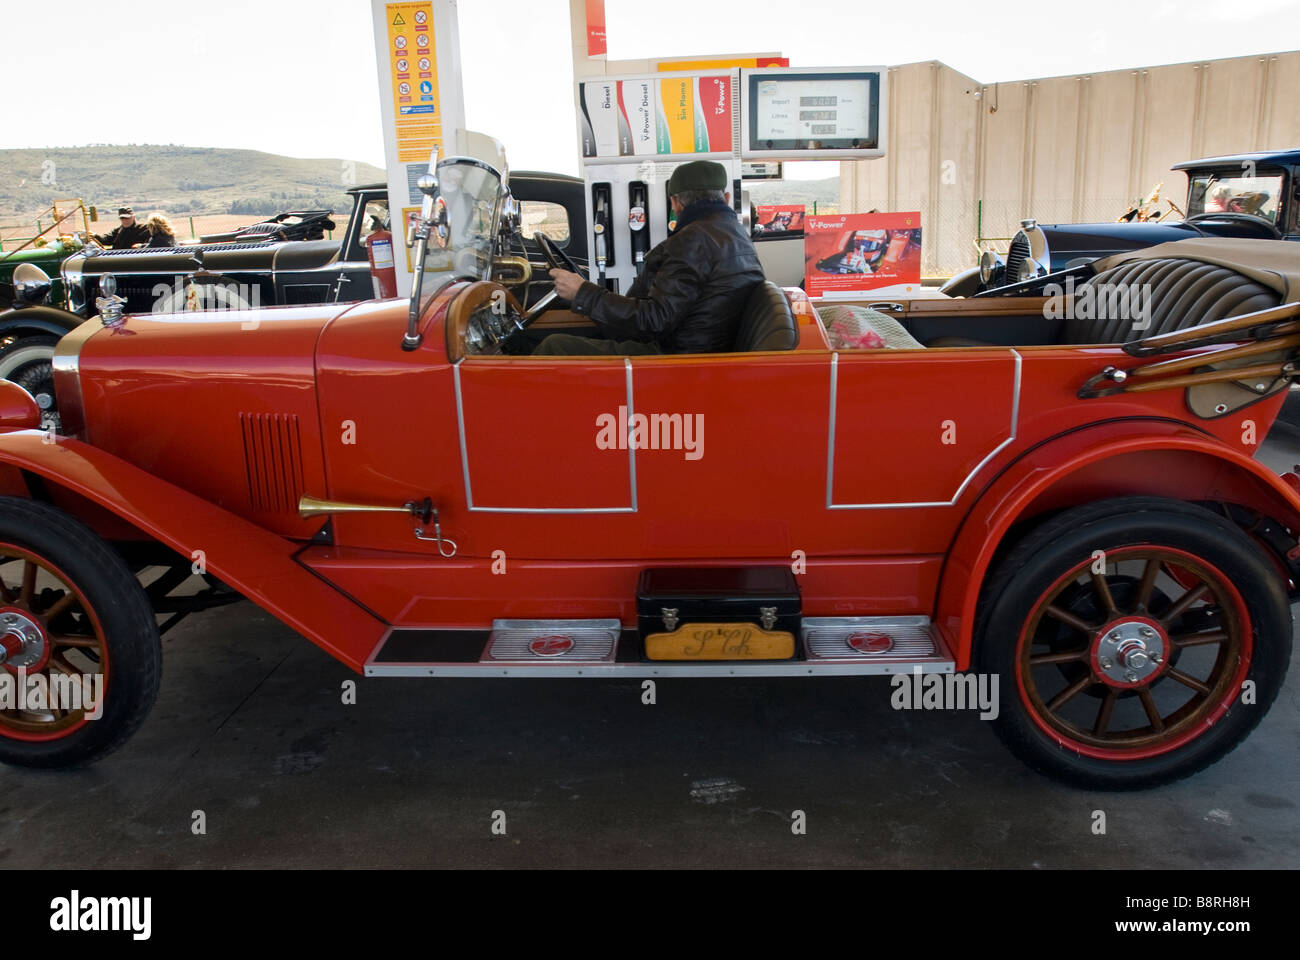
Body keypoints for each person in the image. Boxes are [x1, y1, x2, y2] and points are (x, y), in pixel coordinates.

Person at [537, 160, 764, 355]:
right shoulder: (738, 236)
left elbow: (654, 320)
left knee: (554, 346)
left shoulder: (693, 241)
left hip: (673, 361)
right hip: (698, 350)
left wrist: (582, 292)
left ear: (675, 203)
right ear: (725, 198)